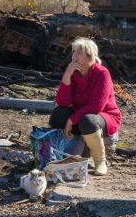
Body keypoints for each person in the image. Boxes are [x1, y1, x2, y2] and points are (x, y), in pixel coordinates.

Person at [49, 37, 121, 176]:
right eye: (74, 52)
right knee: (59, 113)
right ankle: (58, 153)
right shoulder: (73, 72)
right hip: (80, 114)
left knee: (87, 120)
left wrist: (72, 120)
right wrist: (67, 75)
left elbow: (96, 107)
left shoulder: (102, 73)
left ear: (90, 56)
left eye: (79, 53)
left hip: (104, 116)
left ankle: (100, 161)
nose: (74, 56)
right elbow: (63, 102)